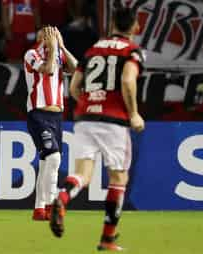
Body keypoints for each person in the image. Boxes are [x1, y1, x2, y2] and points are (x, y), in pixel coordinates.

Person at [49, 7, 145, 251]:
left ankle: (62, 198)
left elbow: (74, 87)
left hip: (84, 117)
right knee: (118, 178)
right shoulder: (132, 51)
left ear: (111, 24)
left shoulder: (93, 50)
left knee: (82, 175)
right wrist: (133, 114)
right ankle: (107, 238)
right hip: (114, 121)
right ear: (136, 27)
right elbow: (127, 80)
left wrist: (91, 101)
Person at [24, 26, 77, 220]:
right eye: (46, 33)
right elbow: (48, 70)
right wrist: (54, 47)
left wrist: (61, 46)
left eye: (53, 32)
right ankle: (51, 205)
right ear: (39, 37)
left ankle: (39, 209)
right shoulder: (31, 54)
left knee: (47, 161)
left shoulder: (59, 54)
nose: (50, 35)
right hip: (38, 114)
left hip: (57, 116)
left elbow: (75, 67)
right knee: (53, 158)